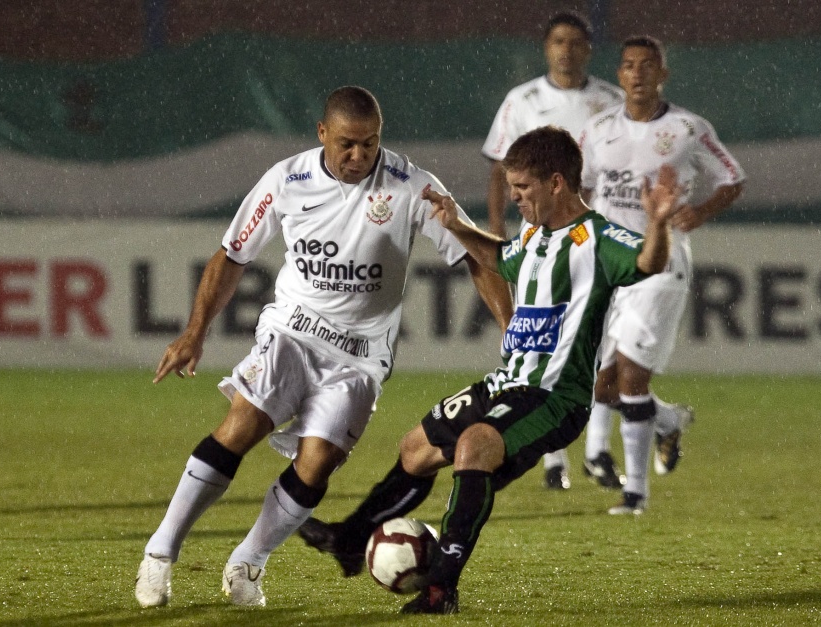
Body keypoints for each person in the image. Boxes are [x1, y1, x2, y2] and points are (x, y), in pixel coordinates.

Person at [133, 85, 513, 609]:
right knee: (241, 426)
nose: (359, 156)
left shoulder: (412, 186)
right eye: (347, 145)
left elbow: (474, 255)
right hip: (293, 329)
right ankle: (159, 553)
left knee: (318, 462)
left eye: (370, 144)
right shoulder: (286, 180)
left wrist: (512, 328)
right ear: (322, 135)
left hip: (361, 356)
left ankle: (247, 562)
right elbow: (231, 255)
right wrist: (195, 332)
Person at [299, 126, 680, 614]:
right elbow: (501, 258)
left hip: (554, 398)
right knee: (415, 448)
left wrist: (660, 223)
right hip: (509, 382)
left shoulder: (598, 238)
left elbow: (648, 262)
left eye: (522, 188)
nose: (514, 197)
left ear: (557, 183)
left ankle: (441, 589)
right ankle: (351, 540)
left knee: (474, 445)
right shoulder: (535, 234)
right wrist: (456, 226)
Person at [578, 36, 746, 515]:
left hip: (661, 264)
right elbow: (585, 189)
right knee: (602, 385)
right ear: (620, 73)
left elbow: (733, 176)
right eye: (628, 66)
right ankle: (667, 420)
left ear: (662, 75)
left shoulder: (688, 128)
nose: (637, 74)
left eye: (647, 66)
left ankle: (636, 495)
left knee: (630, 377)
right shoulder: (598, 129)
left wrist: (701, 211)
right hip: (609, 267)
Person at [482, 10, 624, 491]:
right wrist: (499, 224)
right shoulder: (521, 101)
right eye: (558, 40)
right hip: (540, 239)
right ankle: (554, 460)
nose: (567, 49)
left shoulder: (611, 101)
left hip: (590, 239)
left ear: (588, 49)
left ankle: (599, 448)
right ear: (547, 47)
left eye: (576, 41)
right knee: (541, 340)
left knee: (599, 344)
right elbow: (503, 168)